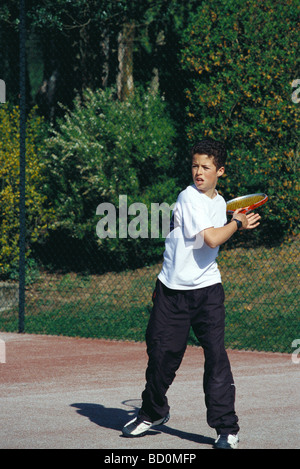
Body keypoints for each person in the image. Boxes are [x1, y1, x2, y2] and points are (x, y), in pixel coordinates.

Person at [122, 138, 261, 449]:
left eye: (206, 167)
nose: (199, 172)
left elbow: (216, 235)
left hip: (208, 292)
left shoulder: (220, 202)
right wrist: (236, 223)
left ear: (220, 171)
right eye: (195, 165)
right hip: (172, 293)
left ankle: (226, 429)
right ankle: (152, 412)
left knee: (216, 359)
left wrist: (235, 223)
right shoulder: (188, 196)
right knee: (160, 357)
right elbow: (212, 239)